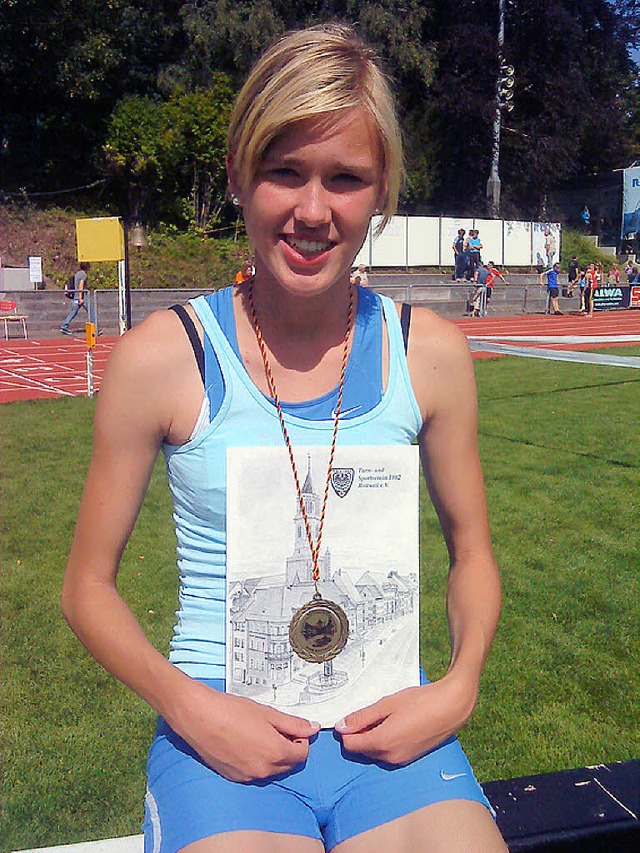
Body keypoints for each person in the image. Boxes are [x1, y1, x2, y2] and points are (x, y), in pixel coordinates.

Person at [61, 23, 506, 853]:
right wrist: (191, 708)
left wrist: (461, 683)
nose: (312, 210)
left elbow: (473, 553)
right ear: (237, 175)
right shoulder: (163, 358)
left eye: (345, 178)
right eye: (284, 172)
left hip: (387, 733)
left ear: (381, 195)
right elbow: (87, 586)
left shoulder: (431, 356)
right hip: (222, 737)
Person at [60, 262, 93, 335]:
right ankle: (93, 328)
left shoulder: (77, 274)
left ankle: (64, 326)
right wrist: (81, 298)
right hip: (82, 296)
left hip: (76, 295)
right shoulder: (84, 275)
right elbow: (81, 286)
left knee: (73, 312)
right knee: (91, 311)